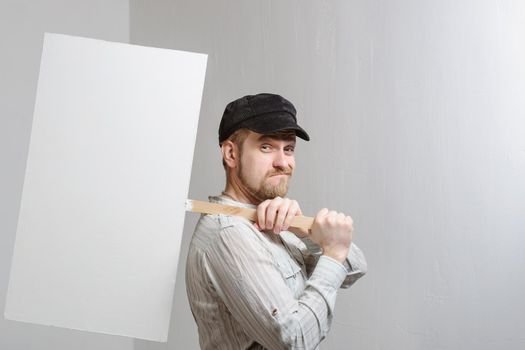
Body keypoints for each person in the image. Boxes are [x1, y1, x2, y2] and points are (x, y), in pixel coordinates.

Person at [185, 93, 367, 350]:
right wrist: (333, 252)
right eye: (266, 147)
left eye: (289, 148)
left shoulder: (272, 217)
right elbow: (295, 341)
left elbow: (355, 268)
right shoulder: (228, 233)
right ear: (231, 154)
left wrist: (305, 232)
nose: (283, 162)